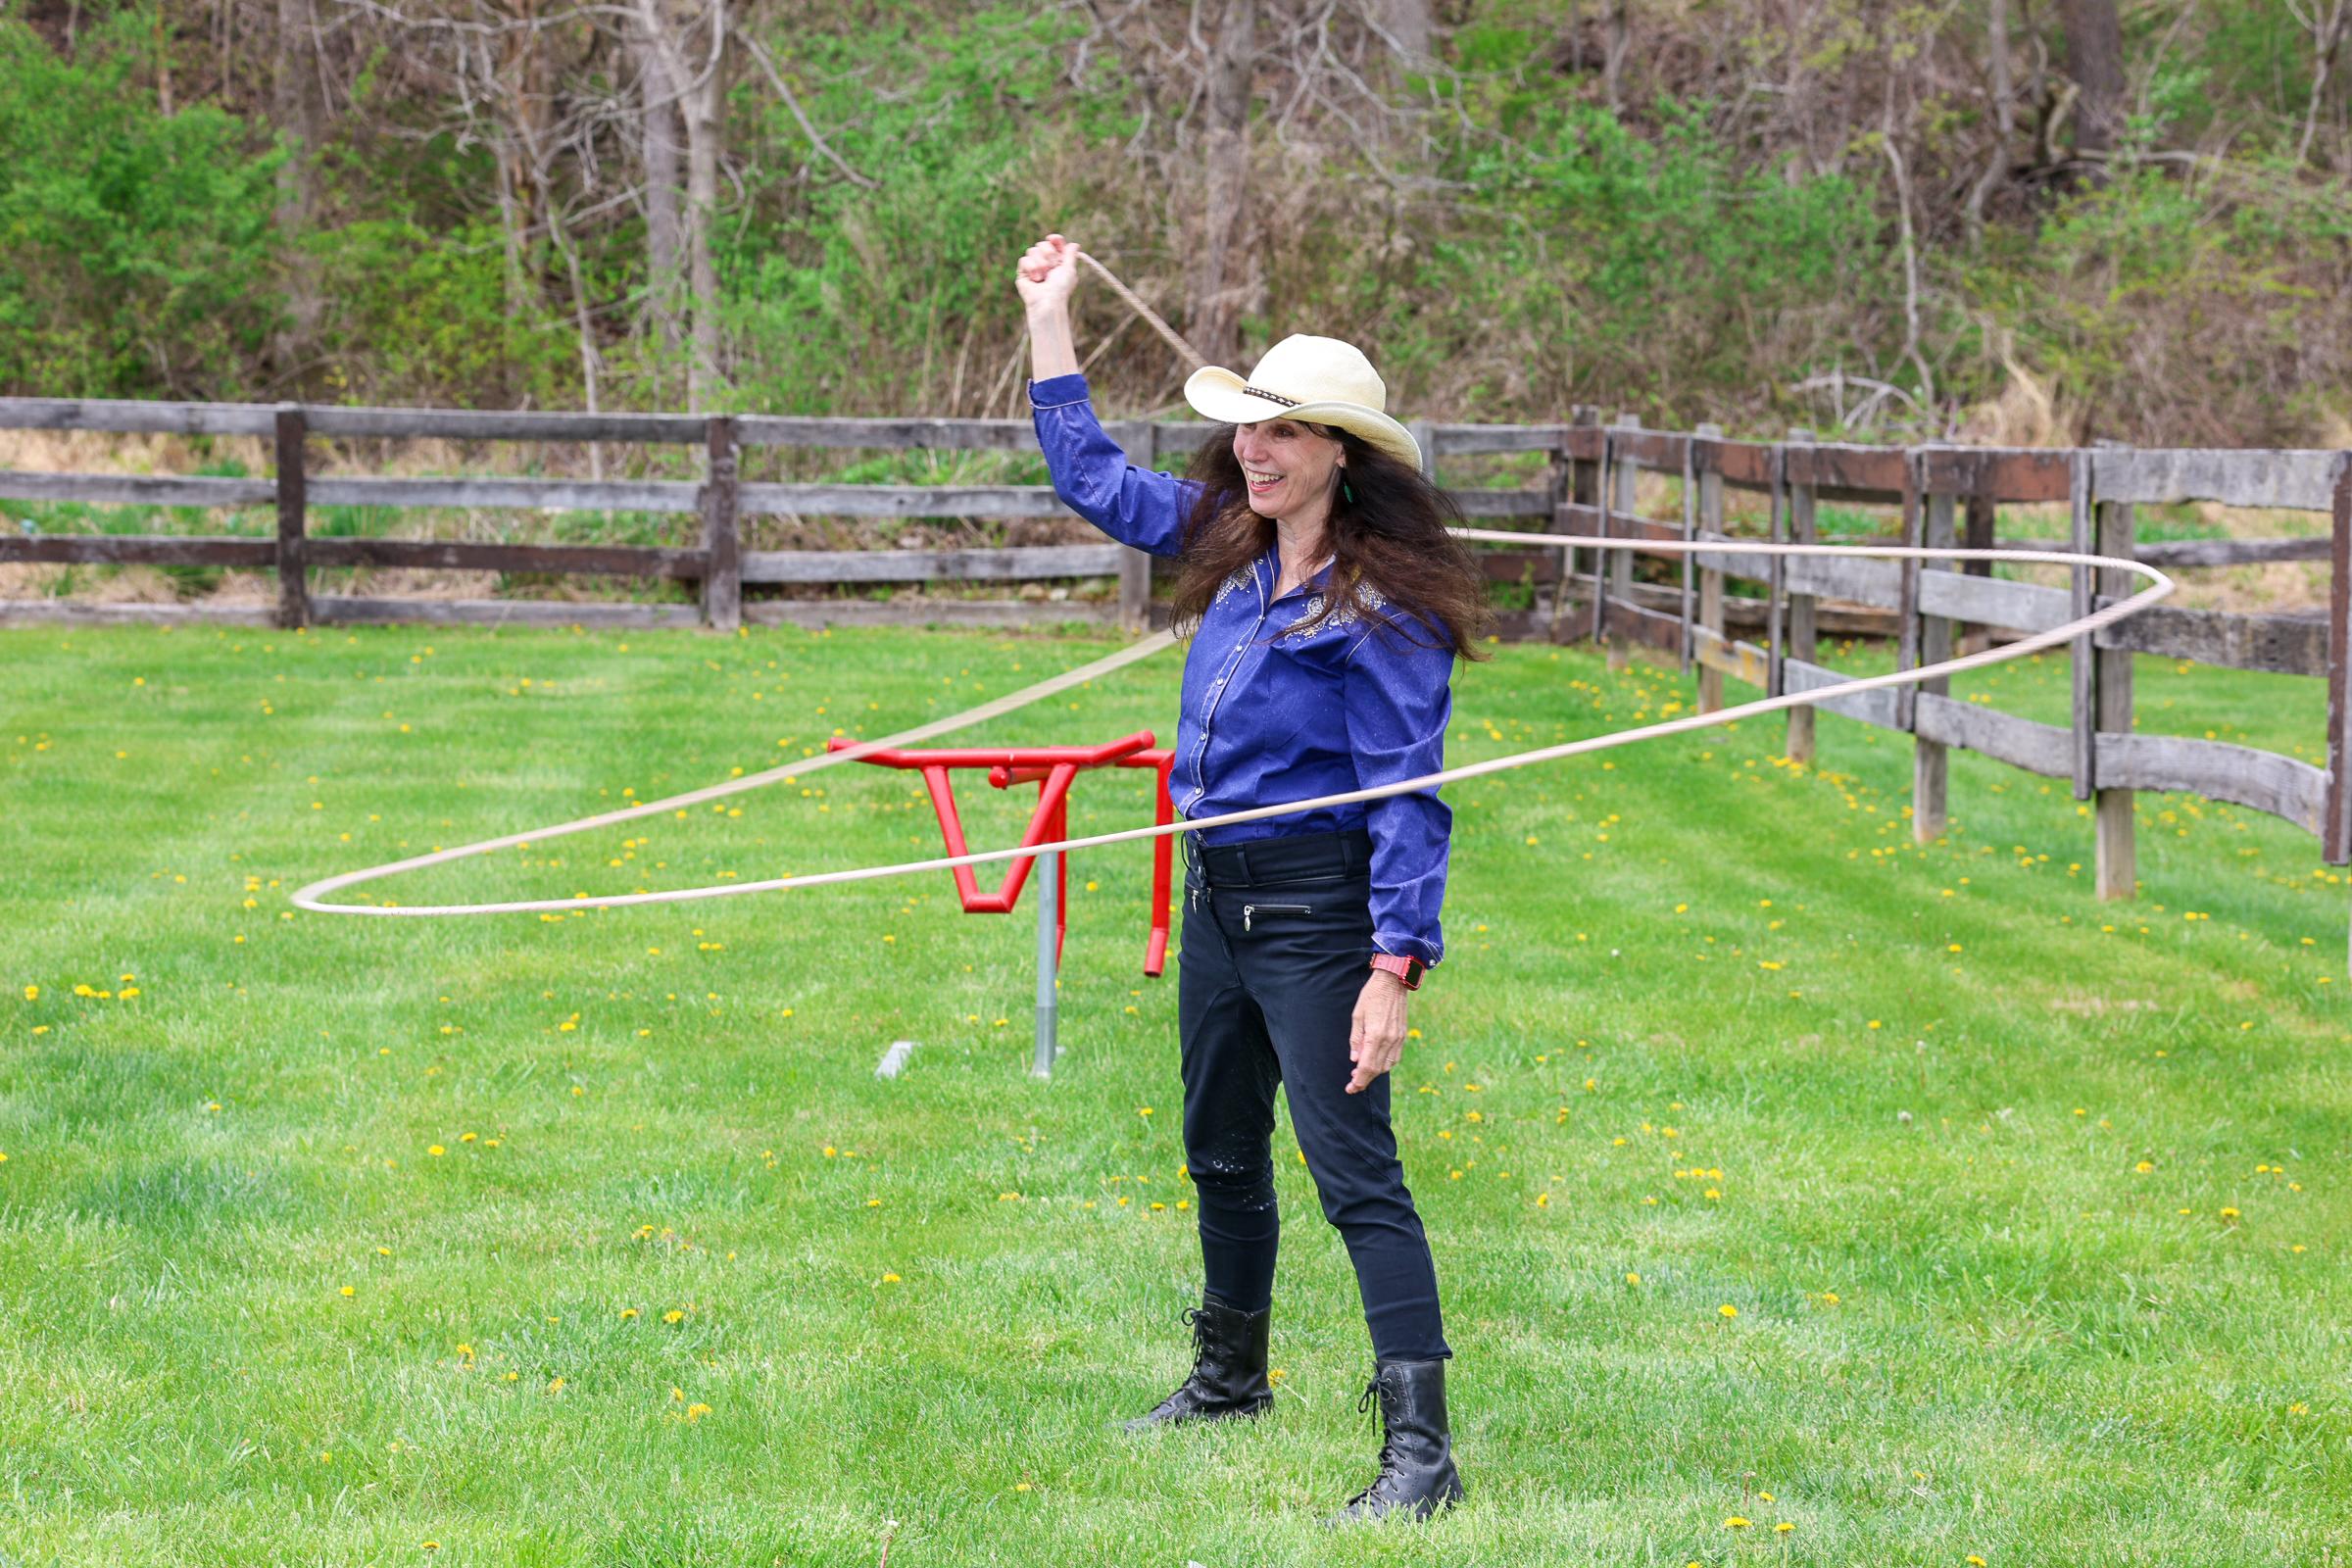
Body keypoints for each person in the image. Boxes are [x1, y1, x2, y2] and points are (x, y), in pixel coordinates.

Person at [1014, 232, 1493, 1524]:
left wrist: (1394, 968)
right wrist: (1050, 319)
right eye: (1248, 429)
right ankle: (1230, 1382)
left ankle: (1422, 1457)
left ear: (1343, 453)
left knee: (1355, 1176)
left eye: (1285, 433)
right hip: (1218, 900)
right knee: (1220, 1149)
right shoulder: (1233, 534)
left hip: (1318, 914)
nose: (1255, 450)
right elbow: (1093, 479)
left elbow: (1405, 795)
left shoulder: (1381, 609)